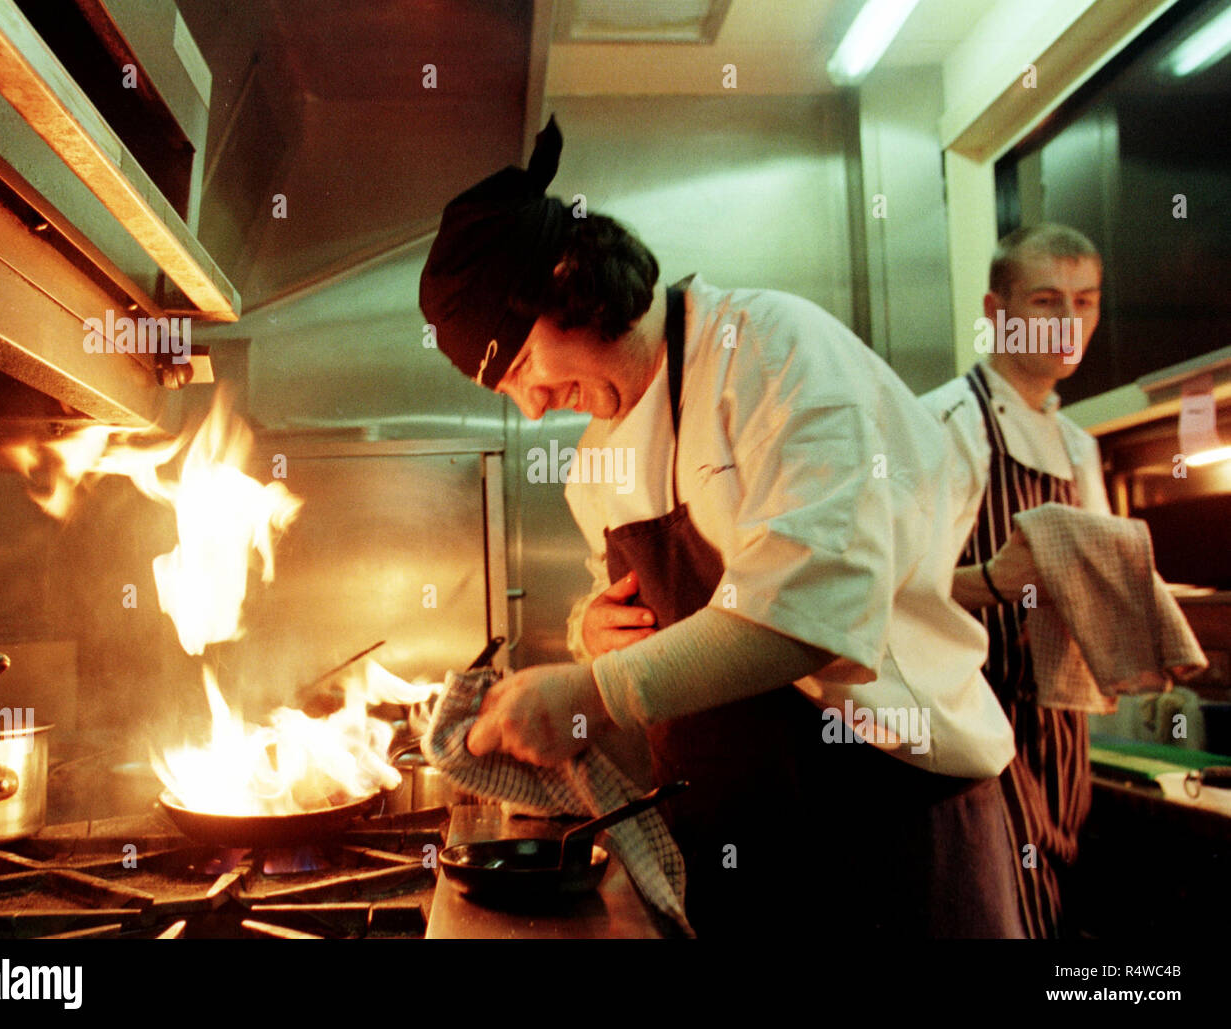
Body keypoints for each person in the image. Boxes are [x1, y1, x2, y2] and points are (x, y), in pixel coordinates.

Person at [419, 116, 1023, 937]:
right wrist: (590, 632)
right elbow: (629, 612)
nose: (529, 403)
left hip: (888, 823)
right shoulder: (594, 460)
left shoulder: (769, 352)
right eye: (506, 389)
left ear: (570, 284)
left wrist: (594, 692)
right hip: (737, 847)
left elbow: (813, 610)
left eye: (523, 364)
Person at [920, 223, 1108, 939]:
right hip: (976, 750)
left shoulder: (1079, 447)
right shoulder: (945, 425)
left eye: (1086, 302)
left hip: (1064, 750)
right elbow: (890, 601)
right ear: (997, 313)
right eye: (1047, 302)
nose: (1070, 324)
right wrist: (996, 579)